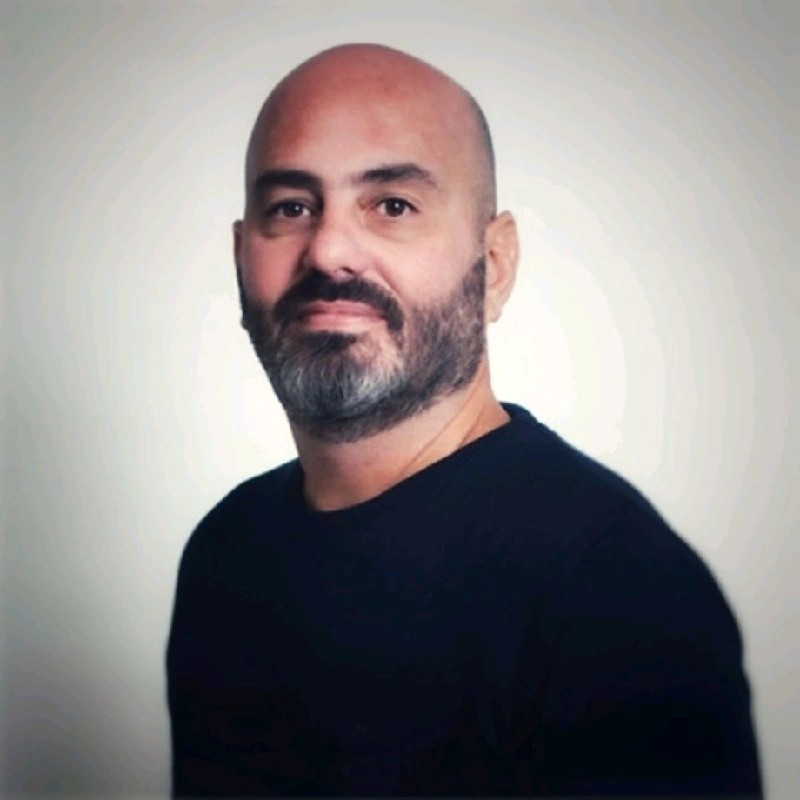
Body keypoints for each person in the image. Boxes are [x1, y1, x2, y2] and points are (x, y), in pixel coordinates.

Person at [166, 43, 762, 796]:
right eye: (291, 207)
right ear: (240, 255)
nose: (330, 250)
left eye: (392, 205)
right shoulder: (227, 551)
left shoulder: (622, 599)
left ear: (495, 264)